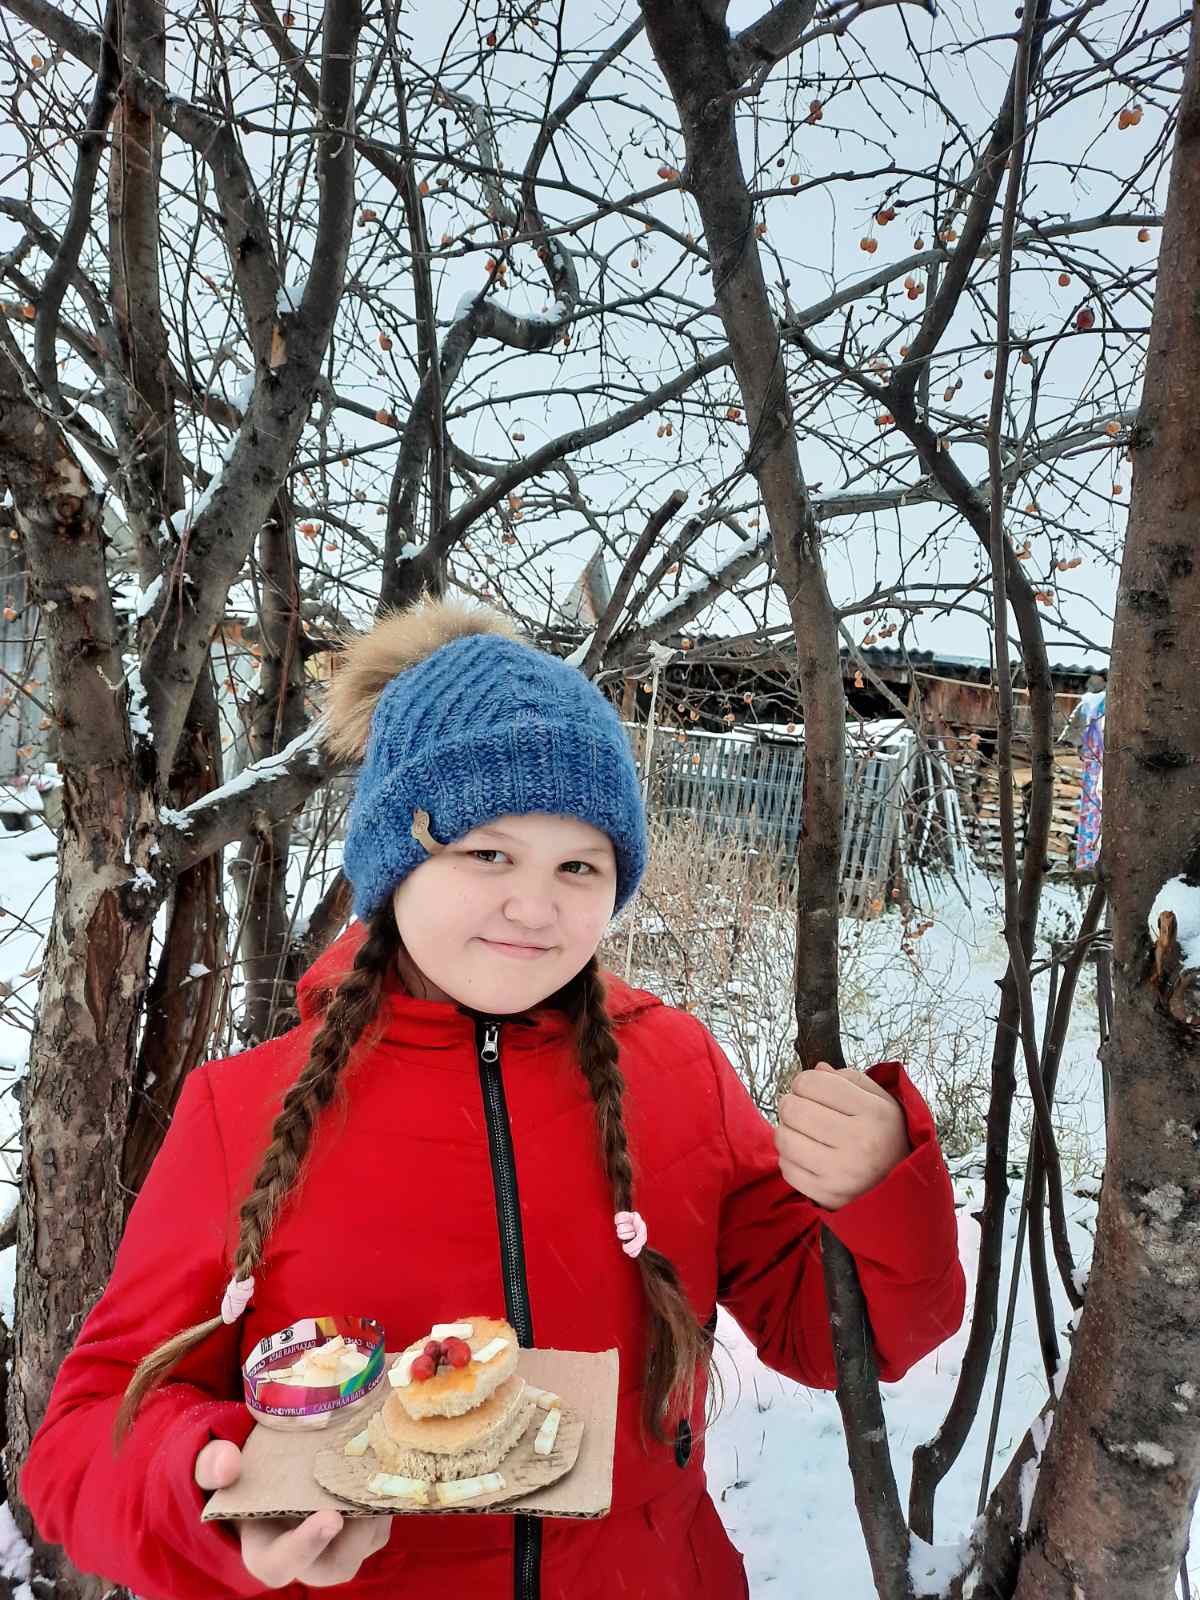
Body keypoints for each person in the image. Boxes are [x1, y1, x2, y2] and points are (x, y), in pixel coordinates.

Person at [21, 599, 965, 1600]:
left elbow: (841, 1337)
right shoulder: (241, 1111)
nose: (535, 905)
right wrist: (218, 1494)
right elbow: (81, 1442)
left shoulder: (678, 1069)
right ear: (393, 862)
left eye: (579, 865)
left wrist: (881, 1190)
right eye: (487, 853)